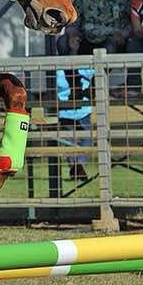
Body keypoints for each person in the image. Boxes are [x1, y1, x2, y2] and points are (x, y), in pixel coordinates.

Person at [64, 0, 131, 55]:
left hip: (112, 39)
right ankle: (71, 69)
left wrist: (123, 34)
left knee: (110, 48)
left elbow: (134, 20)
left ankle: (105, 70)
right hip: (86, 38)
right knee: (63, 43)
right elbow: (73, 20)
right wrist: (73, 35)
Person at [55, 32, 94, 181]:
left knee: (85, 139)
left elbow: (93, 78)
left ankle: (79, 165)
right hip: (65, 111)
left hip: (83, 110)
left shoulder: (85, 62)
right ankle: (75, 166)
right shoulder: (57, 67)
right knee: (69, 140)